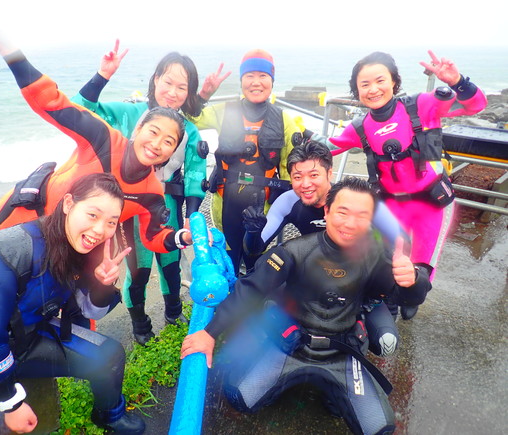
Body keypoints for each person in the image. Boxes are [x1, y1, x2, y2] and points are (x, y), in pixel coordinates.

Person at [0, 9, 197, 293]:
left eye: (168, 141)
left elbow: (154, 236)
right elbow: (52, 102)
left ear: (172, 151)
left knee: (62, 307)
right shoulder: (103, 138)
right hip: (32, 215)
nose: (157, 144)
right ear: (138, 130)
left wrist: (182, 237)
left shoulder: (151, 191)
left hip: (79, 241)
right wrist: (9, 51)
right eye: (153, 133)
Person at [181, 177, 431, 435]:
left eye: (361, 216)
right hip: (293, 345)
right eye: (342, 212)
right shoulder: (295, 251)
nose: (350, 223)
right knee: (239, 397)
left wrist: (413, 280)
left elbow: (407, 298)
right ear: (327, 211)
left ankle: (334, 392)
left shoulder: (378, 256)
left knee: (379, 428)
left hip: (342, 350)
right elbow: (252, 289)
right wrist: (209, 333)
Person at [0, 172, 146, 435]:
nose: (100, 230)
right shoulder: (11, 252)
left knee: (108, 355)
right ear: (68, 204)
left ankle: (109, 415)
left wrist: (102, 285)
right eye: (93, 215)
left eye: (111, 222)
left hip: (25, 335)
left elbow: (87, 310)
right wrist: (11, 403)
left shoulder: (81, 248)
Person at [328, 50, 487, 320]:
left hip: (431, 202)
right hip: (391, 204)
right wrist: (303, 148)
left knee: (423, 263)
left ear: (394, 81)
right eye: (364, 85)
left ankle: (415, 296)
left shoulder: (422, 106)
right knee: (384, 256)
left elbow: (475, 107)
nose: (373, 89)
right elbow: (331, 146)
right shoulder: (360, 127)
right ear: (356, 91)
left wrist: (457, 81)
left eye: (380, 80)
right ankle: (384, 297)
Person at [70, 42, 209, 344]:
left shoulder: (190, 132)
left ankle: (173, 312)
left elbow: (196, 178)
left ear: (189, 93)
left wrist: (192, 218)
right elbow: (80, 109)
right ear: (155, 80)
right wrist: (102, 76)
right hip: (131, 209)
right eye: (167, 82)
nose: (172, 92)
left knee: (171, 266)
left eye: (181, 87)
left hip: (167, 206)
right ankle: (141, 325)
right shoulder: (128, 115)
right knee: (139, 271)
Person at [242, 140, 406, 356]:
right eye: (297, 177)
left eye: (314, 175)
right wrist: (252, 232)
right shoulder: (288, 201)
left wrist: (392, 293)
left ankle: (358, 327)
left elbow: (401, 241)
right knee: (258, 302)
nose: (305, 184)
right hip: (310, 278)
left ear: (330, 173)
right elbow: (253, 252)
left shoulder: (356, 199)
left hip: (357, 283)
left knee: (386, 343)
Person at [191, 49, 302, 274]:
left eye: (263, 76)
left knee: (255, 259)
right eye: (249, 76)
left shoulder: (285, 120)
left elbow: (294, 169)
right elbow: (190, 119)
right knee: (227, 258)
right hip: (224, 202)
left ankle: (251, 292)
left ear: (271, 81)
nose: (256, 82)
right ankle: (229, 295)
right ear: (241, 81)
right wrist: (203, 95)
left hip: (265, 205)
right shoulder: (224, 111)